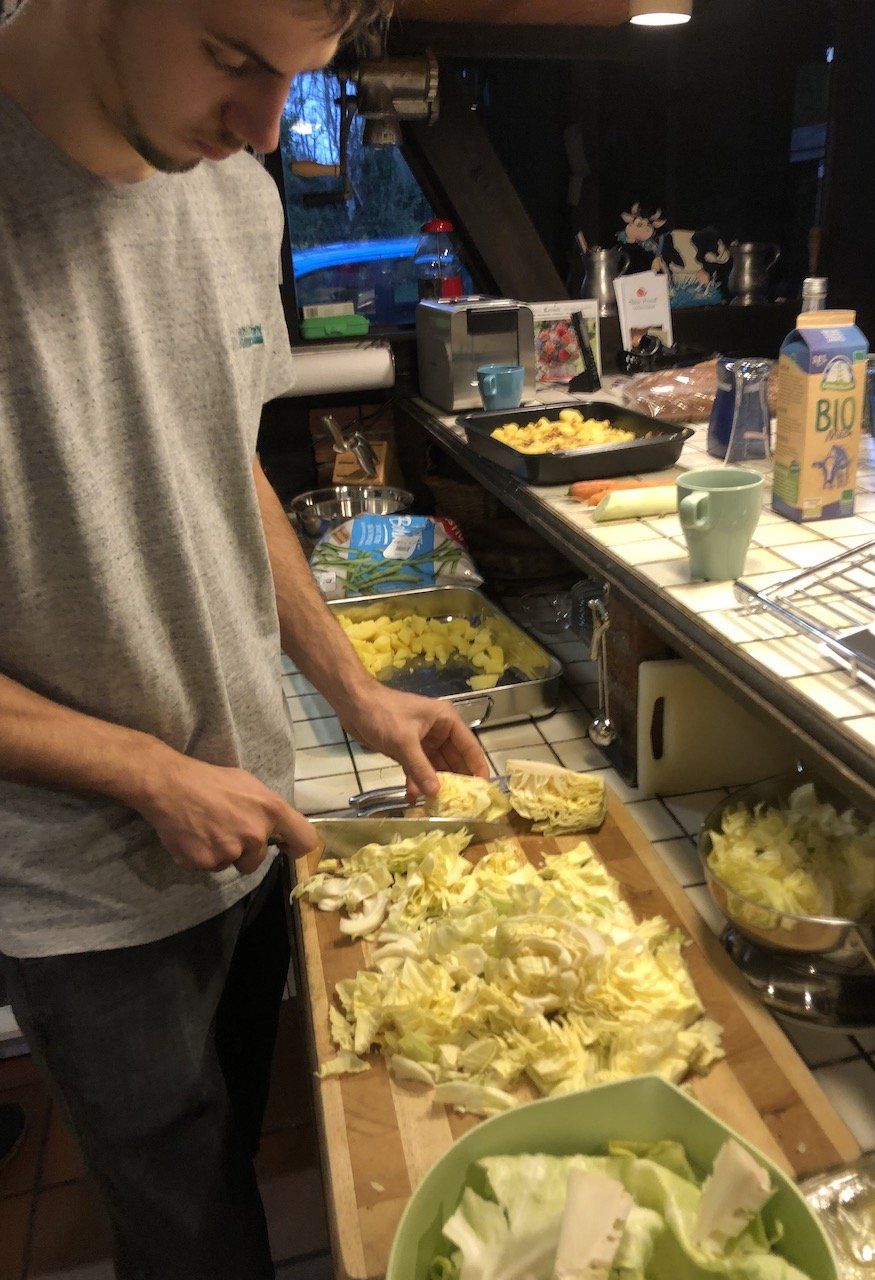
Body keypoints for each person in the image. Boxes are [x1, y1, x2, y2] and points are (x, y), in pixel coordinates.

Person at [0, 0, 488, 1275]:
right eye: (231, 58)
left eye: (296, 76)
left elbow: (227, 472)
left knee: (246, 1157)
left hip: (255, 819)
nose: (267, 128)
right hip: (81, 889)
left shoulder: (232, 192)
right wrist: (146, 771)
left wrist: (355, 690)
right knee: (188, 1234)